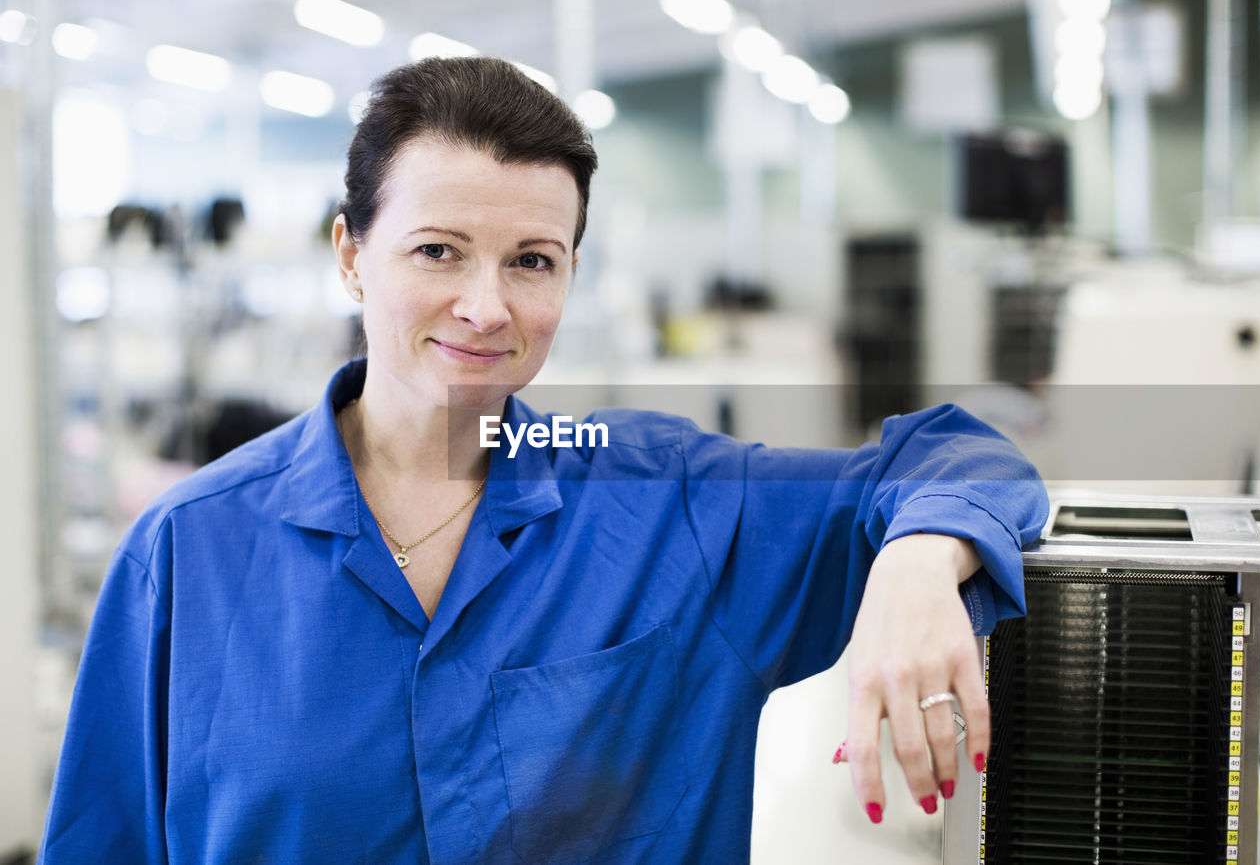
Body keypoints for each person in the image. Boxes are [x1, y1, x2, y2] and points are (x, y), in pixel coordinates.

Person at [39, 57, 1048, 863]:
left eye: (531, 260)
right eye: (437, 250)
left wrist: (919, 560)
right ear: (350, 253)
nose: (486, 307)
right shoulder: (188, 550)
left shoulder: (665, 503)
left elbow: (965, 453)